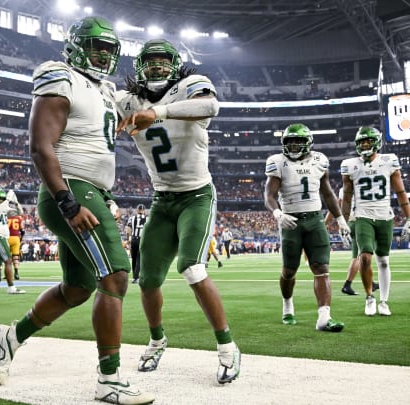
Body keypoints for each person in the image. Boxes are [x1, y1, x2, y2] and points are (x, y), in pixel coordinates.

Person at [0, 16, 154, 405]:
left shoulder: (102, 89)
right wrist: (69, 201)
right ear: (78, 46)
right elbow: (41, 146)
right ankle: (109, 379)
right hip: (70, 189)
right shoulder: (59, 77)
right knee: (115, 276)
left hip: (89, 188)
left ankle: (10, 337)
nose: (102, 55)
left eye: (108, 50)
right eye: (96, 47)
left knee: (78, 288)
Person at [116, 38, 240, 384]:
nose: (156, 67)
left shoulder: (190, 87)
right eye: (150, 62)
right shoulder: (127, 100)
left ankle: (228, 347)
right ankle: (157, 340)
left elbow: (211, 107)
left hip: (196, 195)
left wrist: (159, 112)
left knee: (192, 267)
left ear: (175, 65)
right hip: (162, 199)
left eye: (162, 61)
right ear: (139, 67)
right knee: (148, 279)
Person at [264, 123, 351, 331]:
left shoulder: (320, 160)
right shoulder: (277, 162)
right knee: (289, 271)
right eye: (290, 141)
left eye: (298, 141)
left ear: (308, 143)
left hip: (315, 219)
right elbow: (269, 195)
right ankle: (287, 307)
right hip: (290, 221)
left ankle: (323, 317)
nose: (294, 145)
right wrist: (278, 214)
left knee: (321, 268)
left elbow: (328, 193)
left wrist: (340, 219)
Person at [340, 126, 410, 316]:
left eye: (368, 142)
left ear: (376, 143)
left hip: (385, 216)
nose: (364, 145)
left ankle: (384, 301)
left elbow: (400, 191)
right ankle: (369, 297)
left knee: (383, 261)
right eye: (361, 142)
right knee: (365, 257)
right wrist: (342, 221)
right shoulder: (350, 164)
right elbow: (347, 197)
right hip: (362, 216)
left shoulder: (388, 161)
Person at [324, 188, 379, 296]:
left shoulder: (343, 189)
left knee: (363, 255)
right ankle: (347, 285)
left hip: (350, 223)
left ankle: (370, 282)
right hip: (361, 222)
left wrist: (326, 222)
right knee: (360, 256)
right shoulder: (363, 184)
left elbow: (335, 206)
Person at [125, 203, 147, 284]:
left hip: (133, 239)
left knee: (134, 258)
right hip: (142, 240)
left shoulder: (132, 218)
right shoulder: (147, 219)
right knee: (139, 258)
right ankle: (136, 277)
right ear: (144, 210)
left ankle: (134, 277)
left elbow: (127, 230)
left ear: (137, 210)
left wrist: (128, 240)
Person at [7, 205, 25, 280]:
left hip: (7, 238)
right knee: (15, 257)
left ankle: (8, 273)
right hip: (16, 238)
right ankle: (16, 273)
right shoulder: (19, 218)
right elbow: (22, 230)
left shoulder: (6, 218)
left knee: (7, 257)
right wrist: (21, 238)